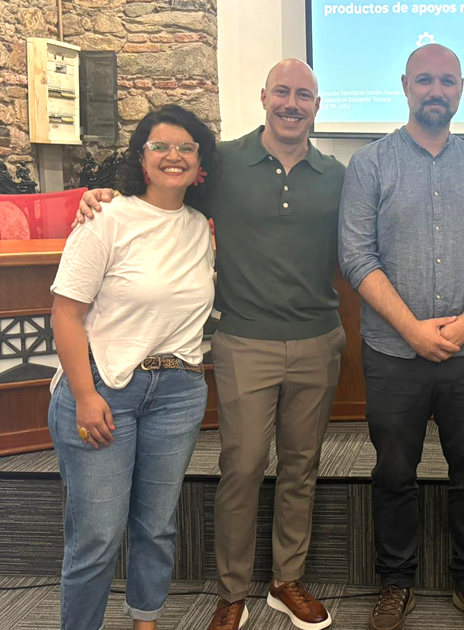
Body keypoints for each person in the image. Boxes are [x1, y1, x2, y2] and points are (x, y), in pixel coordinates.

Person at [77, 59, 346, 630]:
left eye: (304, 95)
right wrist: (103, 193)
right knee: (242, 468)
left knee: (301, 466)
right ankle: (231, 592)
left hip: (319, 340)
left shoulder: (336, 174)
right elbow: (162, 194)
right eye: (282, 92)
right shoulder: (222, 166)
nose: (292, 103)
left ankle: (286, 580)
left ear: (318, 105)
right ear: (264, 98)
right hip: (245, 341)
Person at [338, 43, 464, 630]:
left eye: (447, 82)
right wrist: (412, 330)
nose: (435, 91)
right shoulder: (371, 164)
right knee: (393, 473)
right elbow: (356, 255)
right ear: (405, 86)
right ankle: (395, 583)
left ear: (460, 89)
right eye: (425, 81)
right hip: (393, 354)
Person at [49, 104, 217, 630]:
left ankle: (146, 620)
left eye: (186, 147)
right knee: (97, 534)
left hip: (178, 391)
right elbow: (65, 314)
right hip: (103, 389)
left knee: (157, 524)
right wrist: (84, 394)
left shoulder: (202, 228)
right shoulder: (106, 217)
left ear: (200, 163)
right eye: (160, 146)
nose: (173, 156)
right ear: (141, 159)